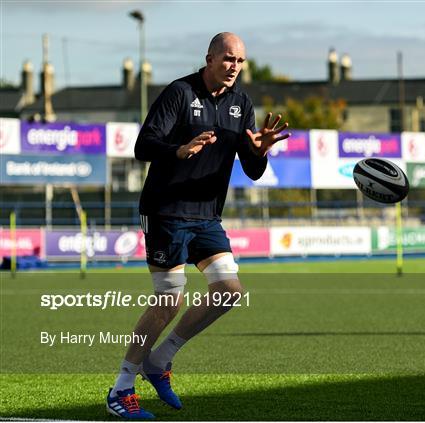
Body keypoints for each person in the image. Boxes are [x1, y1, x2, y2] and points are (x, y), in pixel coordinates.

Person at [106, 32, 290, 419]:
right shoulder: (179, 93)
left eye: (240, 61)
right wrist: (179, 149)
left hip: (207, 215)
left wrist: (260, 153)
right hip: (166, 211)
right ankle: (121, 388)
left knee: (228, 290)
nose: (233, 67)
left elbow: (253, 171)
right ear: (209, 58)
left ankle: (160, 361)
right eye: (227, 59)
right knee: (168, 300)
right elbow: (143, 146)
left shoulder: (242, 104)